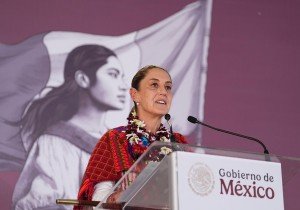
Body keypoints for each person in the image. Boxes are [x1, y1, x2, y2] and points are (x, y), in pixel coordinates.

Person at [12, 44, 127, 210]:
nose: (123, 85)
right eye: (113, 74)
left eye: (122, 76)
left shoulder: (117, 143)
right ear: (83, 79)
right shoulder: (56, 143)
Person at [76, 65, 185, 207]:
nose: (163, 92)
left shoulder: (177, 142)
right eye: (154, 85)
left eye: (168, 87)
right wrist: (114, 198)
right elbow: (97, 202)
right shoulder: (115, 138)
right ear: (135, 94)